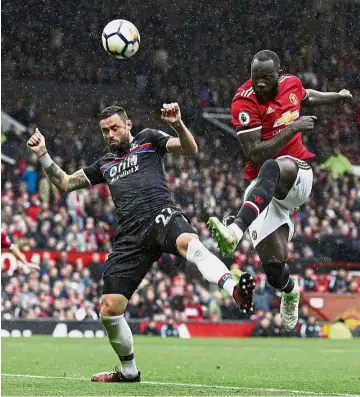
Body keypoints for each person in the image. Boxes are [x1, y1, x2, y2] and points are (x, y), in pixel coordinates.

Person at [27, 102, 255, 383]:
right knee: (109, 311)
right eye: (104, 131)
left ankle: (235, 290)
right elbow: (64, 183)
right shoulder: (104, 165)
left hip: (160, 215)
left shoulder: (148, 139)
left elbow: (189, 148)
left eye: (115, 128)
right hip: (130, 237)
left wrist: (178, 125)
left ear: (128, 125)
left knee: (190, 243)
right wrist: (43, 155)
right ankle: (128, 371)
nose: (110, 135)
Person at [208, 50, 353, 331]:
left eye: (266, 77)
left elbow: (305, 95)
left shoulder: (291, 84)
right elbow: (255, 153)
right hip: (266, 188)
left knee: (276, 165)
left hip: (297, 174)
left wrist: (335, 96)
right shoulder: (243, 102)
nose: (260, 83)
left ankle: (235, 230)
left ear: (279, 74)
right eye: (255, 77)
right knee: (273, 270)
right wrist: (294, 126)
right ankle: (290, 290)